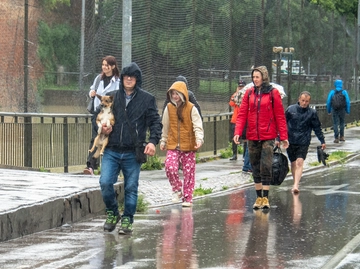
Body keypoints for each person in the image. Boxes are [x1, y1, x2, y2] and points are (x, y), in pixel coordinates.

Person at [93, 62, 162, 233]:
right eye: (126, 76)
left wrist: (153, 141)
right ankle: (113, 212)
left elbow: (155, 123)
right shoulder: (112, 96)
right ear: (122, 78)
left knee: (131, 187)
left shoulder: (147, 99)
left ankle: (127, 220)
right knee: (105, 182)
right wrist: (102, 127)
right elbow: (97, 116)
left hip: (133, 151)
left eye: (132, 76)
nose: (129, 79)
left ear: (137, 79)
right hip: (112, 149)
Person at [233, 66, 288, 210]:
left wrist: (283, 137)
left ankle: (266, 197)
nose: (255, 79)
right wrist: (238, 132)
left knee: (266, 165)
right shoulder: (249, 93)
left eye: (257, 77)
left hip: (268, 135)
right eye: (253, 77)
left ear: (264, 77)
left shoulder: (273, 93)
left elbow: (280, 116)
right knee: (255, 166)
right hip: (252, 135)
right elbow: (242, 114)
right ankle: (258, 197)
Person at [160, 80, 204, 207]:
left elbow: (197, 125)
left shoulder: (191, 108)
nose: (175, 96)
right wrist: (163, 140)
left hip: (188, 146)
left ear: (183, 94)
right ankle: (177, 188)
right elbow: (165, 126)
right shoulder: (168, 108)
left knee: (189, 173)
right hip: (173, 144)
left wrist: (199, 139)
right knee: (170, 167)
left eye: (177, 93)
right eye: (173, 94)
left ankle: (188, 198)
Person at [84, 55, 120, 175]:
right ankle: (90, 166)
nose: (104, 67)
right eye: (103, 65)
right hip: (98, 113)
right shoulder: (99, 78)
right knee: (96, 136)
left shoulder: (118, 81)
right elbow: (92, 90)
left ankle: (108, 167)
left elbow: (118, 98)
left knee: (109, 138)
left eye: (107, 65)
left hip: (110, 115)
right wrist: (92, 93)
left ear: (113, 66)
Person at [285, 91, 326, 193]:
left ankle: (296, 185)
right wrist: (279, 138)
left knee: (300, 161)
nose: (304, 103)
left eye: (306, 101)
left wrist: (322, 140)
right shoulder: (290, 110)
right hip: (291, 140)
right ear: (299, 99)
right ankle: (295, 181)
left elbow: (317, 127)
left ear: (309, 102)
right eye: (303, 100)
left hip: (304, 140)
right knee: (293, 163)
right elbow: (283, 124)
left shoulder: (312, 113)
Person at [228, 80, 246, 161]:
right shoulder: (236, 95)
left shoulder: (247, 95)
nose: (241, 88)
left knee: (245, 138)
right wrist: (237, 93)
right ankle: (234, 154)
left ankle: (245, 156)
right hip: (235, 119)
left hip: (245, 120)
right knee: (234, 137)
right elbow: (231, 103)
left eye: (242, 86)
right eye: (240, 86)